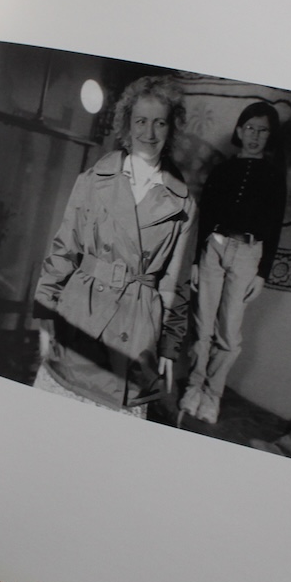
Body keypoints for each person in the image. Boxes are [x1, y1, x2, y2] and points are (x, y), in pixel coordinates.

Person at [33, 74, 197, 418]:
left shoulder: (183, 203)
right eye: (141, 121)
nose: (149, 133)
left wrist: (168, 348)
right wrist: (45, 311)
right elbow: (64, 249)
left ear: (171, 128)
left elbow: (176, 284)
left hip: (137, 328)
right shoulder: (92, 181)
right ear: (127, 123)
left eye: (160, 123)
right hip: (81, 311)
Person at [179, 101, 287, 425]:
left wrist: (262, 273)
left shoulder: (274, 177)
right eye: (249, 128)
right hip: (213, 249)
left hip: (248, 255)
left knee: (228, 333)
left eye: (262, 130)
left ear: (269, 135)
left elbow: (275, 226)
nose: (254, 135)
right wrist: (196, 261)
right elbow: (206, 217)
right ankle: (194, 388)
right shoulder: (222, 171)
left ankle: (212, 396)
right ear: (240, 130)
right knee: (202, 326)